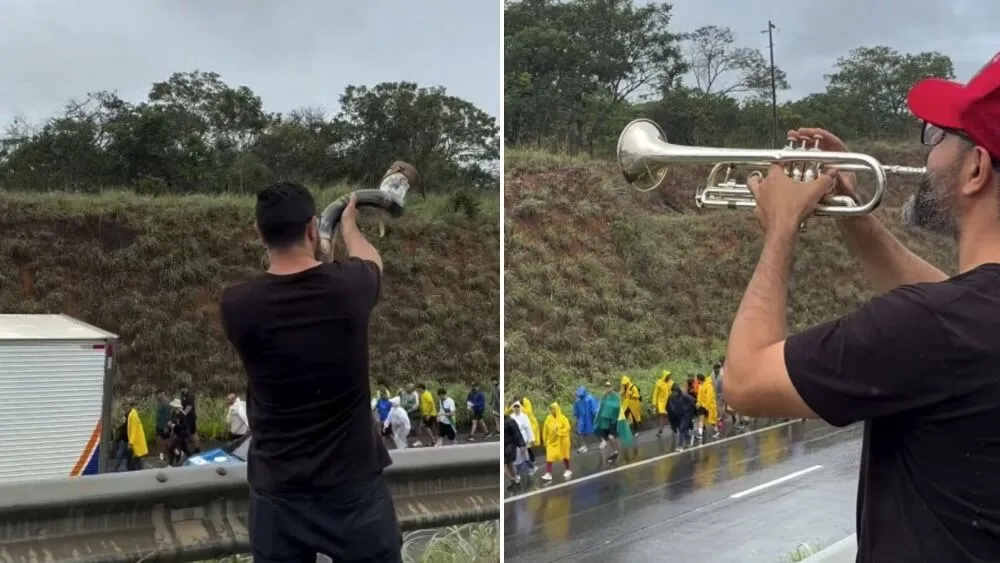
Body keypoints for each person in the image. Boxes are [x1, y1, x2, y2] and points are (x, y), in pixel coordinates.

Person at [722, 53, 1000, 562]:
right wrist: (854, 216)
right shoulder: (962, 323)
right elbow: (960, 314)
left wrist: (781, 227)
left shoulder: (934, 327)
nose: (928, 154)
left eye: (938, 138)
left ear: (977, 168)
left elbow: (743, 381)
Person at [219, 182, 401, 562]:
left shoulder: (236, 305)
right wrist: (349, 226)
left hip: (277, 494)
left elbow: (290, 300)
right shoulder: (349, 287)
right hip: (355, 490)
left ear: (259, 232)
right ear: (309, 228)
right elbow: (371, 261)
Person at [541, 402, 572, 481]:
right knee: (549, 456)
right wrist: (545, 440)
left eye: (554, 409)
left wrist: (559, 432)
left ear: (557, 409)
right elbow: (545, 430)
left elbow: (567, 428)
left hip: (562, 441)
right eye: (551, 409)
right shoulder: (548, 419)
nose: (553, 411)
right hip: (552, 441)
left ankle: (568, 469)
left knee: (565, 455)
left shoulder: (563, 418)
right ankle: (548, 473)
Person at [594, 381, 621, 463]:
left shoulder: (615, 397)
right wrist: (597, 418)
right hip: (605, 421)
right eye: (606, 387)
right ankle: (613, 453)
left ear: (612, 387)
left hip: (613, 420)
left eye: (609, 386)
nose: (607, 388)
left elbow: (617, 407)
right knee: (608, 438)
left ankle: (616, 453)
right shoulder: (604, 397)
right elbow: (600, 408)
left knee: (612, 437)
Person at [571, 385, 599, 453]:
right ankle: (583, 446)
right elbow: (576, 411)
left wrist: (595, 415)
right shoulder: (577, 401)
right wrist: (576, 419)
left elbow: (594, 408)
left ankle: (603, 440)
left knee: (595, 429)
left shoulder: (589, 398)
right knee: (579, 431)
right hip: (581, 419)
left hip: (589, 417)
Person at [504, 414, 526, 487]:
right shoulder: (505, 420)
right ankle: (513, 479)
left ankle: (515, 479)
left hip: (509, 445)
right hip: (505, 444)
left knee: (508, 463)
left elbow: (516, 433)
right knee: (507, 463)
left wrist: (520, 444)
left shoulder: (510, 421)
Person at [652, 370, 675, 437]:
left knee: (670, 415)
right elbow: (655, 394)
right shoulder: (659, 383)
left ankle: (673, 427)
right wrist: (654, 404)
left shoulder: (671, 382)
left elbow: (675, 391)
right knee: (662, 416)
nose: (669, 377)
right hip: (662, 403)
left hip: (670, 401)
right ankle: (661, 429)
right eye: (668, 376)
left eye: (669, 375)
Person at [415, 383, 437, 447]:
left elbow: (431, 404)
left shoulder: (427, 394)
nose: (417, 390)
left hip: (430, 414)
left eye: (418, 388)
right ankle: (432, 441)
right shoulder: (422, 395)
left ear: (421, 388)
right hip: (425, 414)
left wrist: (429, 414)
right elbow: (422, 405)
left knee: (426, 427)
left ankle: (433, 441)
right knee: (425, 427)